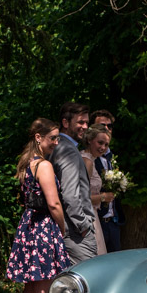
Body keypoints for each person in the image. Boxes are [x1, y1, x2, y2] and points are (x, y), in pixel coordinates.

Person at [6, 119, 69, 293]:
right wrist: (62, 227)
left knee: (30, 285)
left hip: (28, 225)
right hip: (43, 225)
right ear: (38, 138)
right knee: (42, 285)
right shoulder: (44, 166)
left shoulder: (26, 163)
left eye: (57, 138)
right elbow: (53, 203)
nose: (56, 142)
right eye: (52, 138)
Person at [51, 101, 98, 263]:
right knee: (89, 282)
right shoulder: (67, 150)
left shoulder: (57, 146)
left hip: (70, 230)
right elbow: (70, 194)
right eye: (80, 122)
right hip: (76, 234)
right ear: (65, 122)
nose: (85, 127)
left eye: (86, 122)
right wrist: (83, 226)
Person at [90, 109, 124, 252]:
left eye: (109, 126)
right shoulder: (89, 157)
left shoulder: (111, 157)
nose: (107, 129)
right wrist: (103, 197)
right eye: (102, 126)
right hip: (97, 220)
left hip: (113, 221)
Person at [80, 123, 115, 256]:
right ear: (89, 140)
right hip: (87, 215)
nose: (103, 148)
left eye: (106, 145)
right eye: (100, 142)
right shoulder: (87, 161)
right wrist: (103, 197)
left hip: (93, 213)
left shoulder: (91, 160)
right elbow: (80, 196)